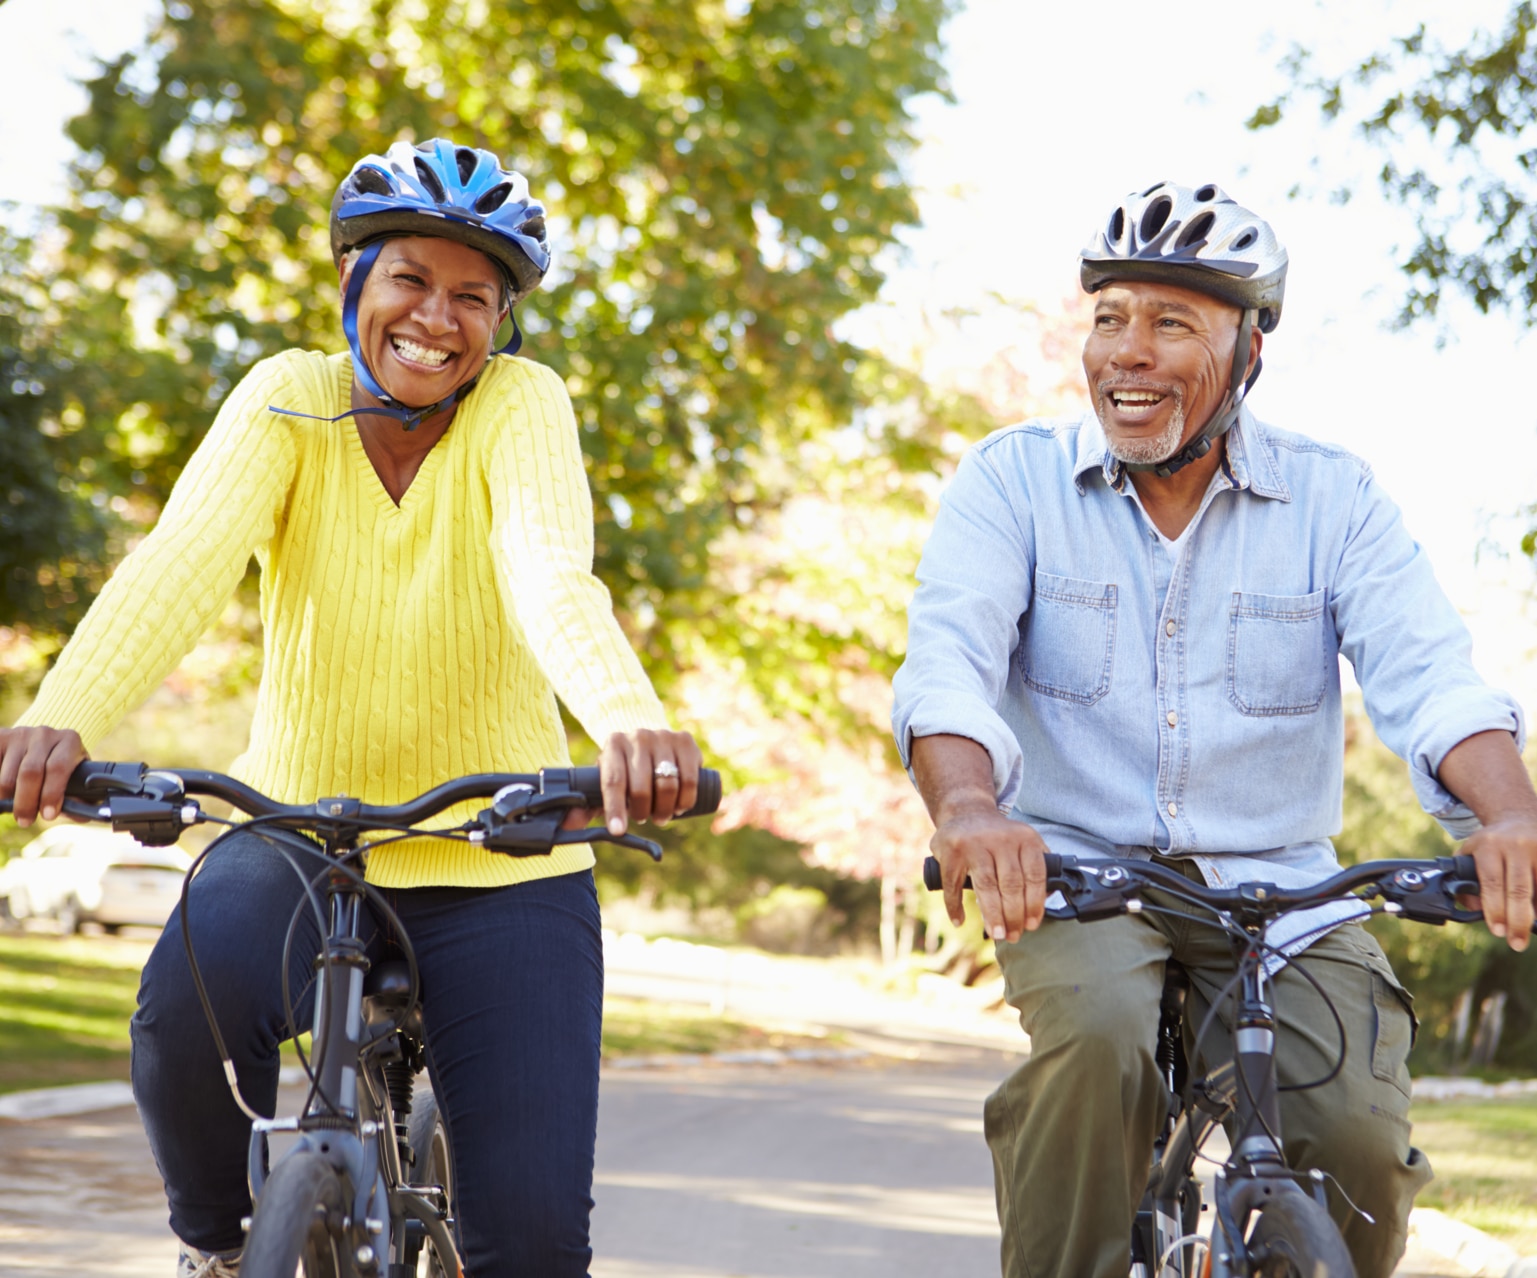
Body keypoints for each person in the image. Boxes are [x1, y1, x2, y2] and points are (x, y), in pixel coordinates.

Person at [0, 138, 702, 1278]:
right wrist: (62, 716)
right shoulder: (287, 395)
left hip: (502, 859)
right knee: (178, 1019)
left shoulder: (523, 406)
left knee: (528, 1246)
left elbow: (546, 571)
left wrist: (628, 720)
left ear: (503, 322)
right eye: (409, 280)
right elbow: (185, 558)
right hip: (297, 837)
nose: (437, 316)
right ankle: (223, 1250)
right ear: (353, 288)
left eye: (473, 296)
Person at [891, 180, 1537, 1278]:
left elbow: (1428, 675)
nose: (1125, 353)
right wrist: (968, 809)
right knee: (1094, 1050)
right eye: (1108, 319)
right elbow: (946, 664)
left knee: (1359, 1148)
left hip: (1281, 894)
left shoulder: (1333, 502)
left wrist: (1509, 814)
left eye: (1170, 323)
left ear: (1247, 353)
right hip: (1082, 877)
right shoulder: (1015, 483)